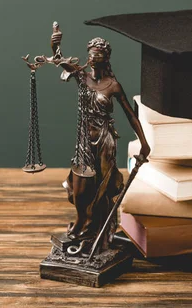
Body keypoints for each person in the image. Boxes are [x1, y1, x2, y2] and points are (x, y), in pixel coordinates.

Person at [55, 32, 150, 250]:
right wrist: (55, 46)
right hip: (84, 142)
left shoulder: (113, 85)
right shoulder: (81, 76)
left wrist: (143, 142)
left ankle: (94, 232)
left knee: (101, 190)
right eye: (90, 54)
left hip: (105, 143)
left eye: (97, 54)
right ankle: (81, 222)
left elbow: (131, 115)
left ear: (105, 58)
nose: (92, 58)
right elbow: (61, 62)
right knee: (79, 189)